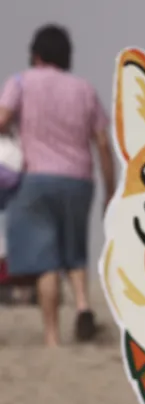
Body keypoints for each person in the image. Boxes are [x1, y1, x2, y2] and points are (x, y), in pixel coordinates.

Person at [0, 25, 115, 346]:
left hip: (35, 180)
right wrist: (110, 189)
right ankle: (83, 306)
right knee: (75, 252)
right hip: (79, 181)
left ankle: (52, 337)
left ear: (35, 54)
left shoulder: (21, 82)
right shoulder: (85, 90)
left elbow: (1, 119)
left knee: (45, 262)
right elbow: (102, 143)